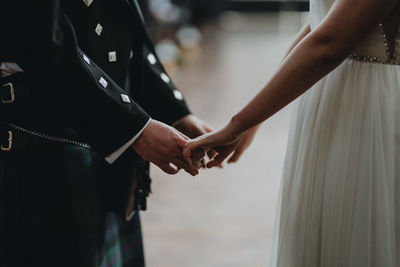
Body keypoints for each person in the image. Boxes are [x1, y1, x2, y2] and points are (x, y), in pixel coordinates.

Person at [0, 0, 237, 266]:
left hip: (106, 113)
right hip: (44, 140)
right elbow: (40, 37)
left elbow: (121, 16)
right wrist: (133, 127)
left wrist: (173, 110)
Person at [183, 0, 400, 266]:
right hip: (334, 103)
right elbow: (320, 24)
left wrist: (238, 124)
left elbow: (332, 41)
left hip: (369, 108)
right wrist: (251, 120)